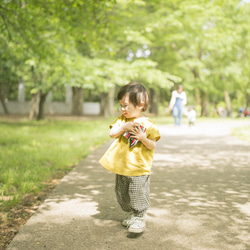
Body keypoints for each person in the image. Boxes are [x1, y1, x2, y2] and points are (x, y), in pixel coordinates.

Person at [99, 81, 160, 234]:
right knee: (122, 192)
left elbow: (152, 145)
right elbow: (112, 134)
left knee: (137, 192)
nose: (122, 109)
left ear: (140, 104)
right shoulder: (122, 121)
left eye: (126, 105)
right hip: (121, 166)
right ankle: (130, 212)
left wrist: (142, 138)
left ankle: (139, 216)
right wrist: (124, 127)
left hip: (138, 167)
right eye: (121, 105)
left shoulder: (148, 124)